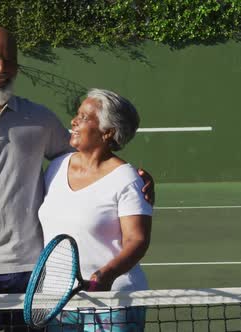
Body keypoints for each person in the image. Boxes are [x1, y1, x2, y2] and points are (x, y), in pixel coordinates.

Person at [0, 26, 154, 330]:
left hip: (37, 276)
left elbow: (90, 161)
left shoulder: (40, 119)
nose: (1, 68)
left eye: (10, 60)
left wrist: (135, 177)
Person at [38, 89, 153, 331]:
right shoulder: (56, 167)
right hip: (59, 303)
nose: (74, 122)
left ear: (108, 131)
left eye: (84, 117)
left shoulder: (127, 179)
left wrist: (107, 274)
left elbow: (137, 239)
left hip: (113, 303)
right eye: (77, 115)